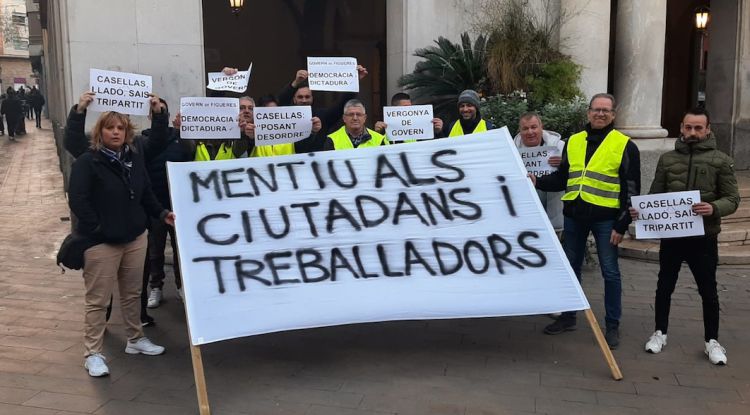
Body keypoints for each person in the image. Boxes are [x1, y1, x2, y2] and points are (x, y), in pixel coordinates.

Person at [66, 101, 175, 377]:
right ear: (99, 131)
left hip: (135, 238)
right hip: (101, 242)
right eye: (110, 128)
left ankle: (135, 339)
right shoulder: (88, 160)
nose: (116, 133)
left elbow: (145, 191)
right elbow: (78, 199)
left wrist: (161, 213)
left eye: (121, 128)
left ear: (128, 132)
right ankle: (93, 353)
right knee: (98, 301)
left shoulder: (135, 157)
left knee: (132, 294)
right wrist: (99, 228)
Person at [530, 93, 641, 349]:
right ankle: (569, 317)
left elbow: (632, 190)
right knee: (571, 269)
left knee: (610, 273)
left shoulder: (625, 145)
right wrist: (536, 180)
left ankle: (612, 325)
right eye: (595, 110)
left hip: (606, 220)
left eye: (605, 110)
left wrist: (621, 225)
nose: (600, 114)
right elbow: (562, 178)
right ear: (588, 112)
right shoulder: (574, 141)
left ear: (613, 114)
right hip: (575, 217)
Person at [631, 108, 739, 365]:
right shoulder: (667, 159)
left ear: (707, 129)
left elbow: (733, 199)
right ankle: (660, 332)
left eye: (698, 128)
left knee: (708, 290)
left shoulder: (721, 160)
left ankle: (712, 341)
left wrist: (714, 208)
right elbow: (656, 195)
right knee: (664, 286)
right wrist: (643, 210)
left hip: (704, 237)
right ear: (681, 127)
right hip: (672, 237)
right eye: (688, 127)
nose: (692, 132)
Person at [145, 99, 192, 309]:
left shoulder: (178, 138)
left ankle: (182, 287)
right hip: (155, 204)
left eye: (161, 111)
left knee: (180, 249)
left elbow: (191, 156)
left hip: (178, 205)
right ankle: (156, 287)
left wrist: (184, 133)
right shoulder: (144, 140)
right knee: (155, 250)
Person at [275, 66, 369, 137]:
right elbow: (281, 101)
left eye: (307, 97)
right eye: (300, 97)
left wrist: (354, 82)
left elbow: (341, 105)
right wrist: (295, 82)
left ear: (312, 99)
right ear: (294, 99)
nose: (304, 100)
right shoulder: (286, 115)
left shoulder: (321, 115)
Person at [513, 112, 565, 230]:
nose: (530, 132)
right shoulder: (511, 151)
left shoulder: (560, 147)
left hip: (555, 211)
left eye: (534, 127)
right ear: (519, 131)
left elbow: (571, 174)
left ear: (541, 127)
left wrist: (564, 163)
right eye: (525, 128)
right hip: (525, 218)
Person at [323, 99, 389, 150]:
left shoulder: (379, 139)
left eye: (359, 114)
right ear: (344, 118)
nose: (355, 118)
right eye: (351, 114)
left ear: (364, 118)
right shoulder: (331, 140)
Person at [373, 92, 444, 140]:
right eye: (405, 107)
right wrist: (377, 133)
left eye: (410, 107)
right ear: (394, 109)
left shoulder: (421, 126)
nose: (409, 110)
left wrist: (437, 132)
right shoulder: (384, 128)